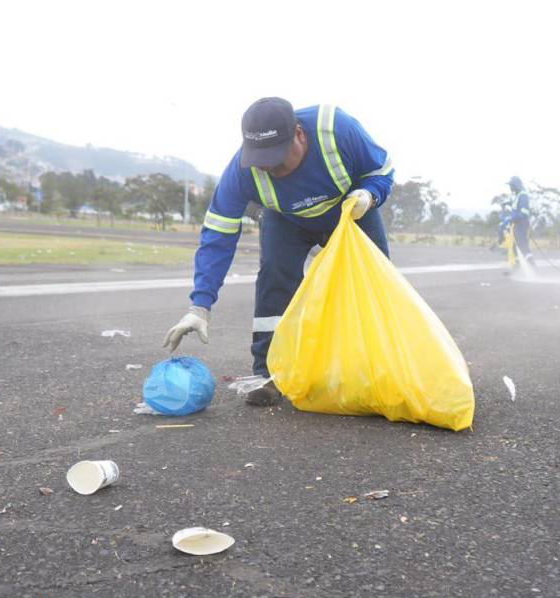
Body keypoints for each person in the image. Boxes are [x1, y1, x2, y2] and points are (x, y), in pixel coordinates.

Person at [162, 97, 395, 407]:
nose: (270, 167)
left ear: (299, 133)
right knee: (274, 279)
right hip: (287, 221)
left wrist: (370, 195)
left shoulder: (336, 128)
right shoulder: (241, 172)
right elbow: (218, 234)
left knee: (375, 283)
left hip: (351, 211)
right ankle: (271, 374)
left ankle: (380, 365)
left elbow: (381, 170)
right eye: (261, 160)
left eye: (278, 158)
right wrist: (199, 306)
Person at [506, 176, 534, 265]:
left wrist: (513, 218)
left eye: (511, 185)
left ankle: (533, 268)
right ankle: (518, 268)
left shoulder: (523, 195)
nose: (510, 187)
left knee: (523, 246)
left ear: (516, 185)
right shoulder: (518, 195)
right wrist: (509, 203)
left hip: (521, 224)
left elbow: (524, 212)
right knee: (515, 247)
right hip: (517, 224)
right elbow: (517, 208)